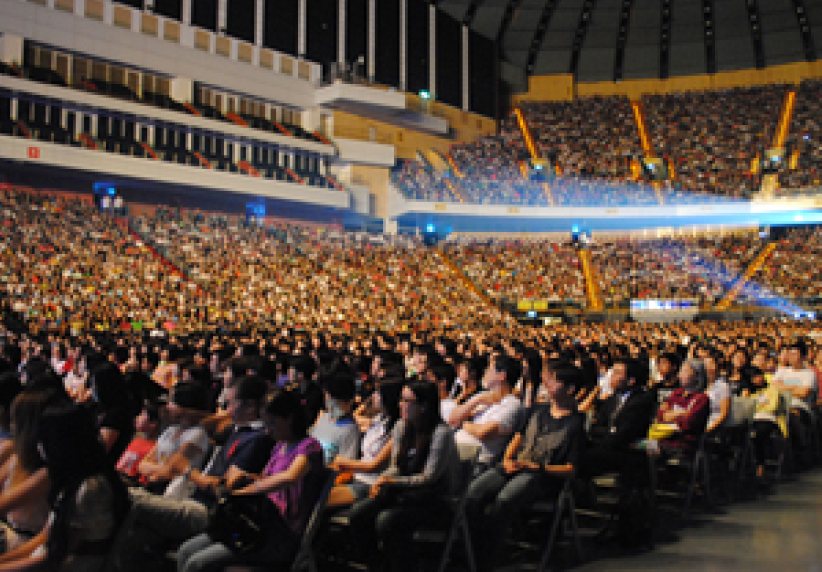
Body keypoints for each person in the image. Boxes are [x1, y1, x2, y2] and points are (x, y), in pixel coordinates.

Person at [176, 389, 326, 572]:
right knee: (185, 551)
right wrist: (246, 478)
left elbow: (290, 476)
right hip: (257, 527)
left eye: (272, 423)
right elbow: (266, 479)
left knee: (197, 563)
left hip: (280, 536)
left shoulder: (309, 446)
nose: (268, 430)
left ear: (290, 418)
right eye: (265, 423)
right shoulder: (280, 446)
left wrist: (247, 490)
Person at [464, 364, 584, 571]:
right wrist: (507, 458)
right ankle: (470, 548)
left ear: (570, 389)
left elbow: (571, 469)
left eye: (555, 381)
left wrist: (538, 467)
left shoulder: (575, 424)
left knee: (504, 499)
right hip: (515, 465)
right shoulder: (537, 410)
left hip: (541, 476)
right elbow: (518, 438)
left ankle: (489, 555)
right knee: (473, 494)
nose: (548, 384)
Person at [0, 402, 131, 571]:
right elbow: (44, 540)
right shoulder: (72, 479)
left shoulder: (90, 488)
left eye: (43, 441)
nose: (39, 447)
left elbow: (53, 559)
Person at [347, 382, 459, 572]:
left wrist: (390, 481)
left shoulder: (441, 433)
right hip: (405, 494)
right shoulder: (401, 426)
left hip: (435, 500)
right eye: (401, 399)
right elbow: (395, 467)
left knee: (387, 520)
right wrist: (382, 480)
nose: (400, 404)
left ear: (423, 406)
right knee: (359, 513)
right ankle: (376, 564)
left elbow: (428, 478)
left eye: (407, 401)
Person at [327, 381, 402, 508]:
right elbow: (353, 419)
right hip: (355, 476)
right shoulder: (380, 419)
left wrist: (339, 460)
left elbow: (373, 466)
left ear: (388, 398)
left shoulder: (397, 430)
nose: (373, 395)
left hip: (370, 483)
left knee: (315, 501)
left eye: (378, 393)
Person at [449, 355, 524, 468]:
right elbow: (452, 420)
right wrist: (476, 401)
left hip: (475, 460)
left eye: (489, 368)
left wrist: (464, 422)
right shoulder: (482, 395)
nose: (485, 371)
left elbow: (483, 432)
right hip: (457, 451)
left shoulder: (512, 404)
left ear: (502, 375)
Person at [137, 383, 211, 491]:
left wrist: (154, 470)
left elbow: (170, 472)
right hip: (156, 486)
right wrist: (159, 471)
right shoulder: (171, 430)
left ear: (186, 406)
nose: (167, 406)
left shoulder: (197, 434)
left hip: (175, 491)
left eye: (172, 402)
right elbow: (141, 465)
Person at [656, 359, 710, 453]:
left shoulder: (702, 399)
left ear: (697, 376)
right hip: (662, 440)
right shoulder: (676, 393)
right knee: (634, 446)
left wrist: (669, 416)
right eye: (680, 371)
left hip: (682, 446)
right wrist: (680, 413)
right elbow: (660, 415)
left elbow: (686, 424)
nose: (679, 375)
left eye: (685, 371)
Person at [310, 372, 360, 464]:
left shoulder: (350, 430)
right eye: (327, 395)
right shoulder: (325, 417)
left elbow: (345, 465)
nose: (327, 399)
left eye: (331, 397)